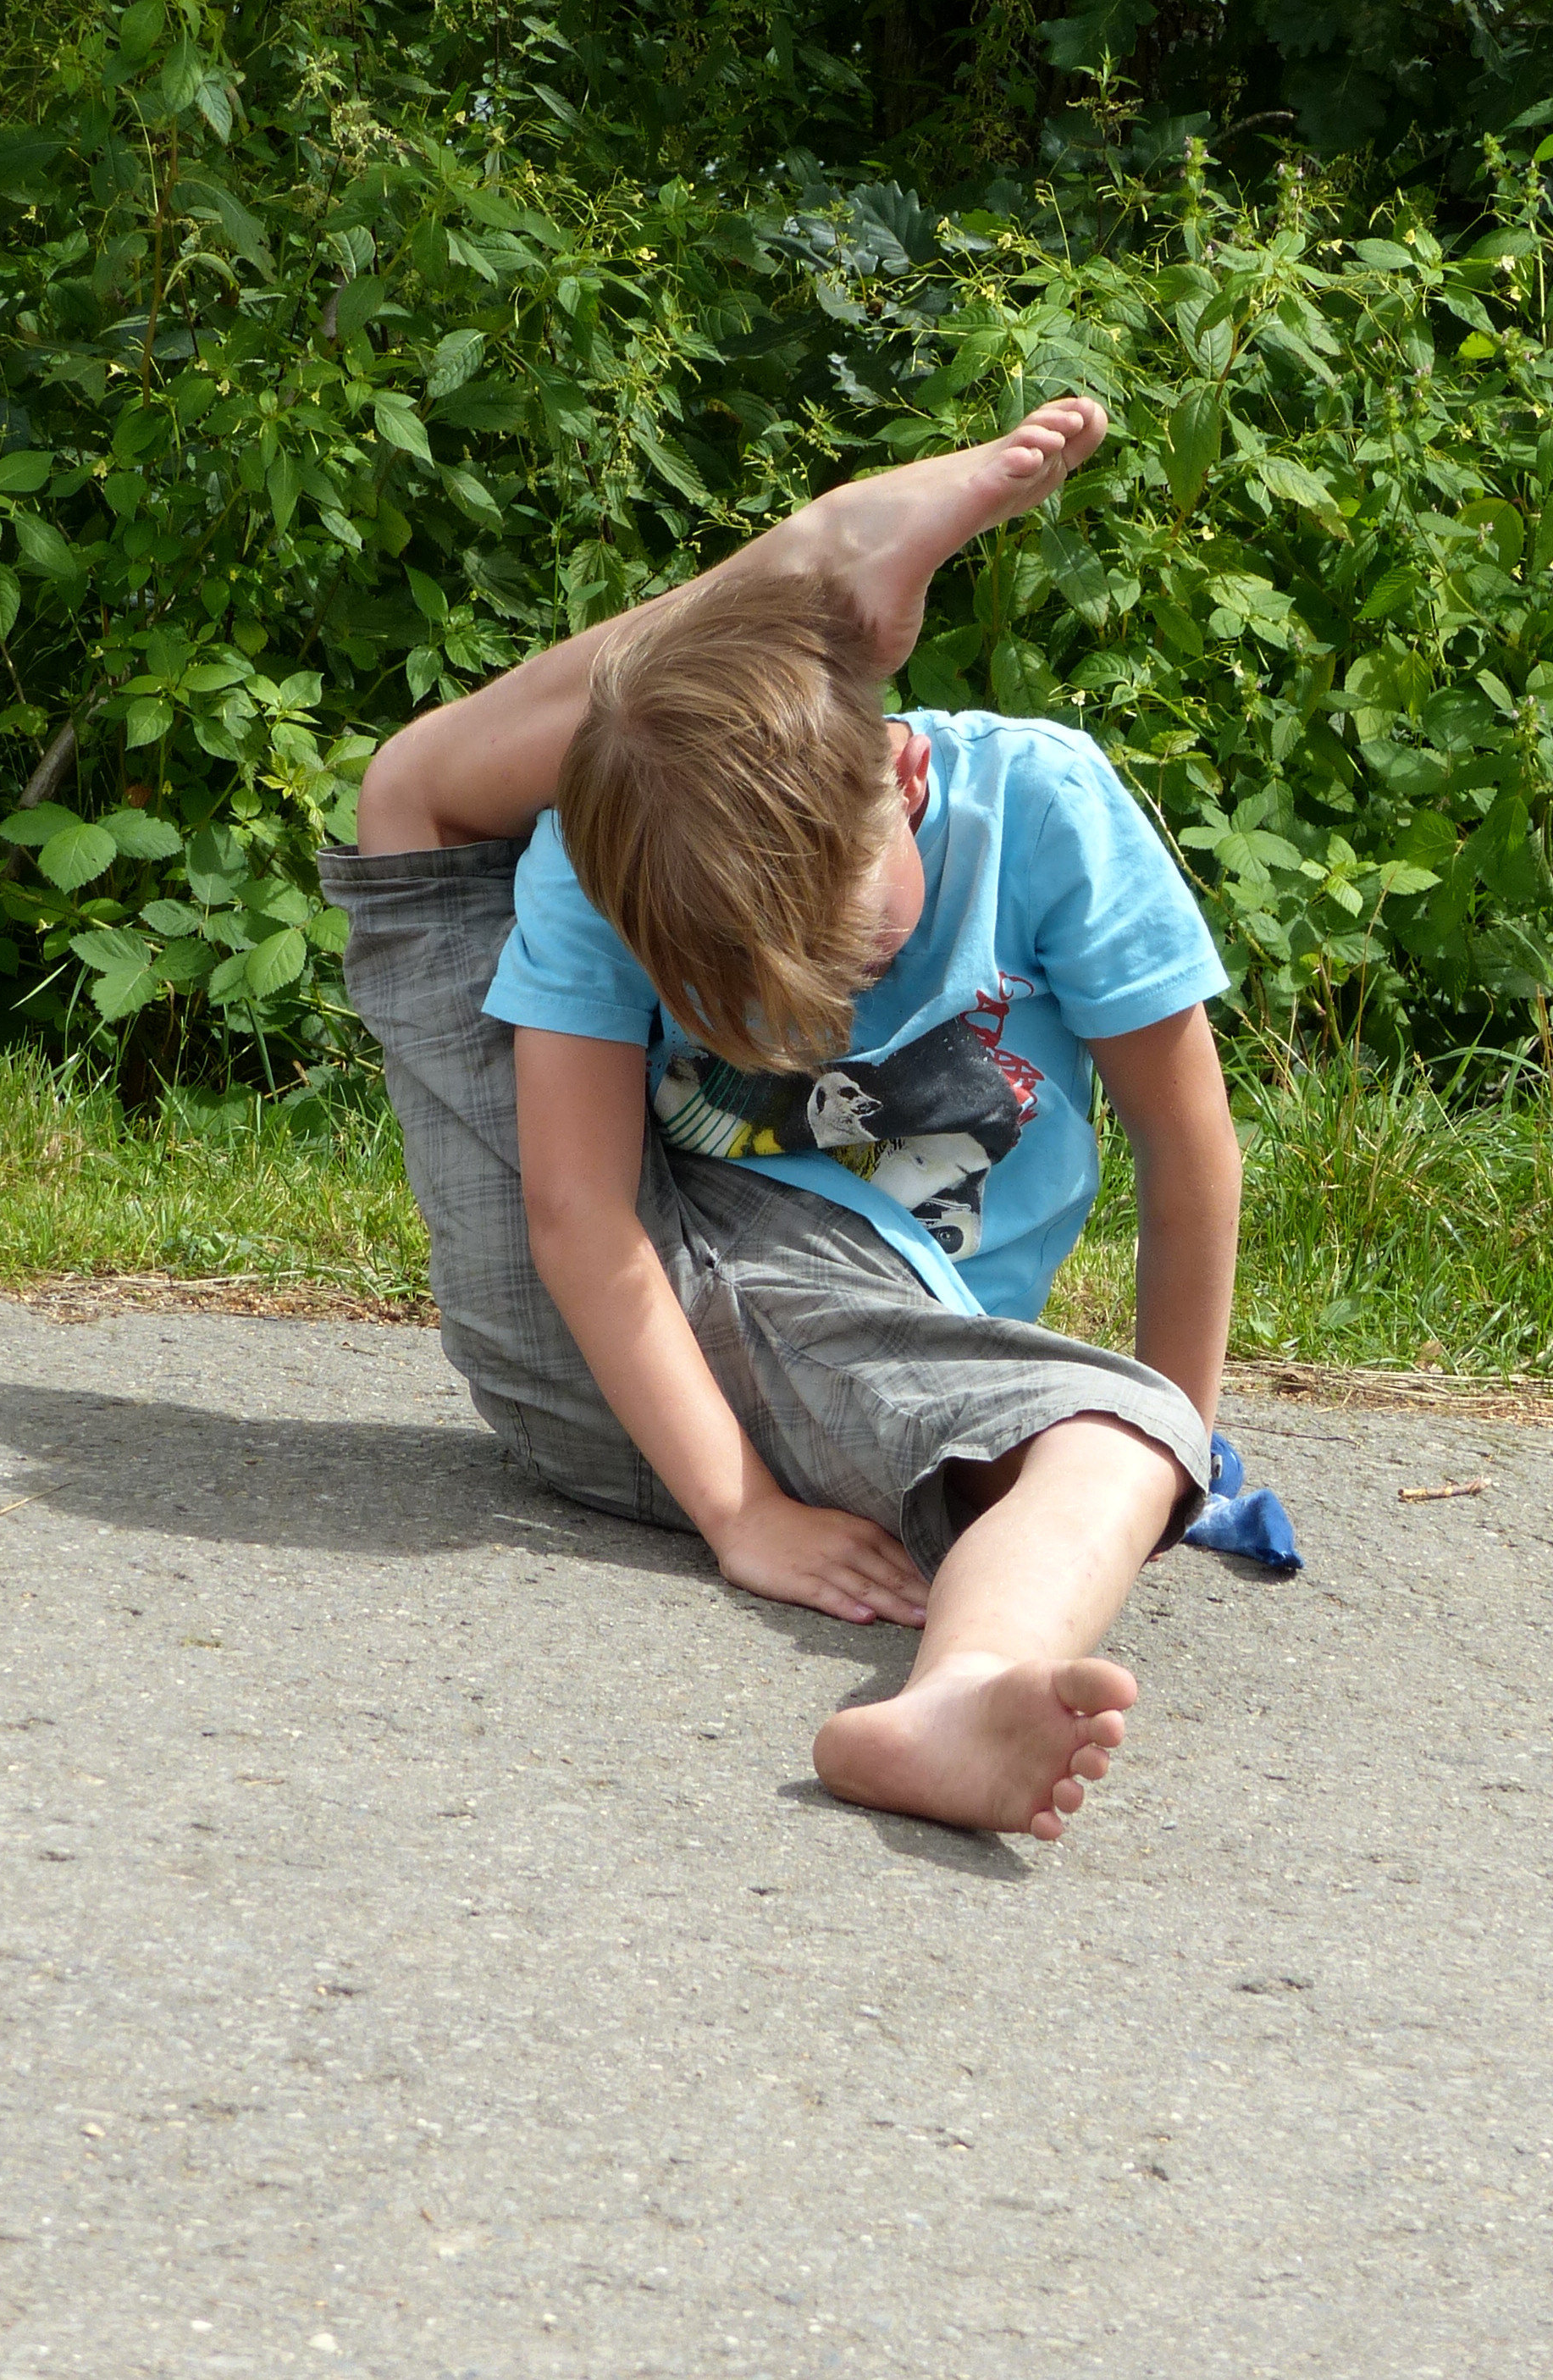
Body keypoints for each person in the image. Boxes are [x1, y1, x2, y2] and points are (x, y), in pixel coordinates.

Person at [323, 399, 1242, 1841]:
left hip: (824, 1355)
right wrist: (740, 1509)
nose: (812, 1007)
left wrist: (1181, 1438)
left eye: (850, 955)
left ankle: (807, 570)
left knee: (413, 790)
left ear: (906, 775)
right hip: (601, 1322)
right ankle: (969, 1685)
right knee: (410, 803)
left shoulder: (1043, 808)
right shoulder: (613, 862)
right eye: (740, 991)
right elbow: (578, 1211)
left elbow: (1189, 1156)